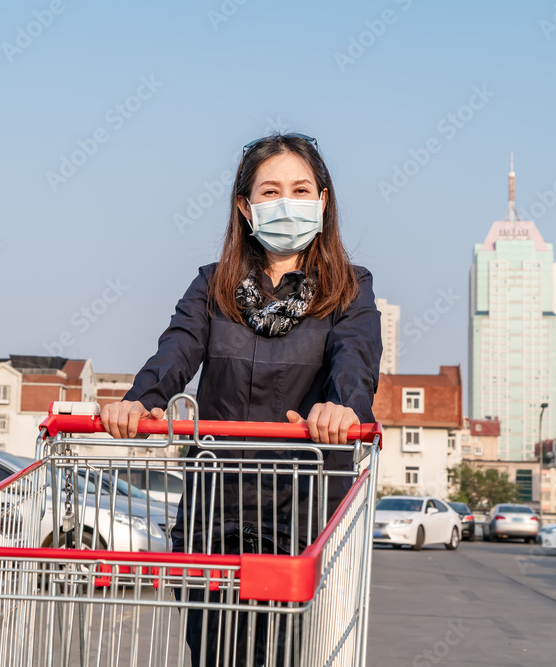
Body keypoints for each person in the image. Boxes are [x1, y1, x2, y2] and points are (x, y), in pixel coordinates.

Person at [101, 133, 382, 666]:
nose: (286, 203)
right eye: (270, 191)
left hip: (305, 511)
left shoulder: (350, 288)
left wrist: (343, 406)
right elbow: (177, 350)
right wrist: (140, 400)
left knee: (297, 654)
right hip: (217, 512)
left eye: (300, 190)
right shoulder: (213, 286)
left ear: (323, 201)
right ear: (245, 206)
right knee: (216, 654)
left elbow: (356, 356)